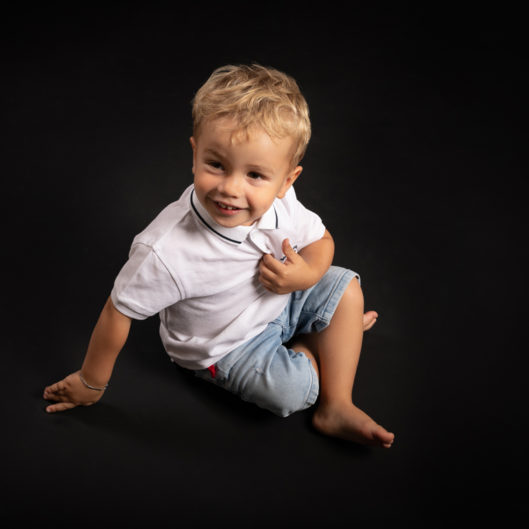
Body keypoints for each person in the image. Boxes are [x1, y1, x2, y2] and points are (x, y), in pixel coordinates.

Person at [43, 64, 394, 448]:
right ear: (195, 154)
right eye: (216, 165)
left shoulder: (282, 203)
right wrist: (92, 382)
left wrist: (307, 277)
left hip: (277, 300)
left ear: (286, 181)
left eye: (255, 176)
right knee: (290, 393)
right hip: (226, 344)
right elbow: (117, 310)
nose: (230, 188)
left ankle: (337, 404)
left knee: (346, 287)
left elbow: (321, 241)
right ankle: (324, 345)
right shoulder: (167, 250)